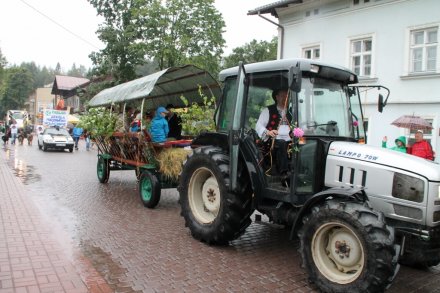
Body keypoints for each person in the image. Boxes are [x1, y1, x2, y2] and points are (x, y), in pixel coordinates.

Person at [255, 88, 292, 183]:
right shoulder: (268, 110)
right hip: (273, 141)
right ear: (277, 97)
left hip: (291, 140)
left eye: (287, 96)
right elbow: (259, 125)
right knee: (281, 143)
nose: (285, 98)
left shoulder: (292, 111)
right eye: (283, 96)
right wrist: (268, 132)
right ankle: (284, 174)